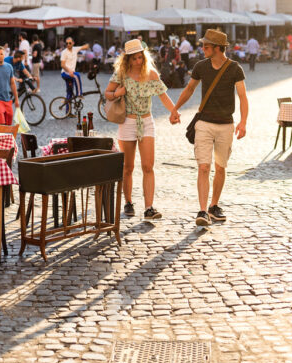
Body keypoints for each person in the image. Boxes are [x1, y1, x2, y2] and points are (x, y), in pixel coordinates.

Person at [171, 29, 248, 227]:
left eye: (206, 46)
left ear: (217, 48)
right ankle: (203, 210)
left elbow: (243, 97)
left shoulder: (234, 68)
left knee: (220, 167)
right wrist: (175, 109)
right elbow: (189, 89)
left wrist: (243, 121)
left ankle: (214, 206)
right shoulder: (200, 66)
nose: (202, 48)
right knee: (204, 166)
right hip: (204, 123)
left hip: (225, 125)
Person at [105, 39, 179, 221]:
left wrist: (174, 111)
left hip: (146, 122)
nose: (138, 61)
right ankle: (128, 202)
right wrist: (117, 94)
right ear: (127, 59)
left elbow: (163, 96)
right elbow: (107, 94)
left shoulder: (151, 74)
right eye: (134, 58)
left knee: (148, 166)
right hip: (127, 123)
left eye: (140, 57)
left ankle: (149, 208)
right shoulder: (121, 74)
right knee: (128, 167)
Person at [60, 38, 88, 103]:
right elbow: (62, 65)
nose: (68, 44)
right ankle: (79, 94)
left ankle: (68, 112)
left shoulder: (75, 49)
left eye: (69, 43)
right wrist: (69, 71)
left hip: (71, 73)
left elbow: (84, 47)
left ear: (73, 43)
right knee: (77, 75)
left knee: (69, 93)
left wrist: (89, 44)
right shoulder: (64, 52)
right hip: (65, 73)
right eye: (66, 43)